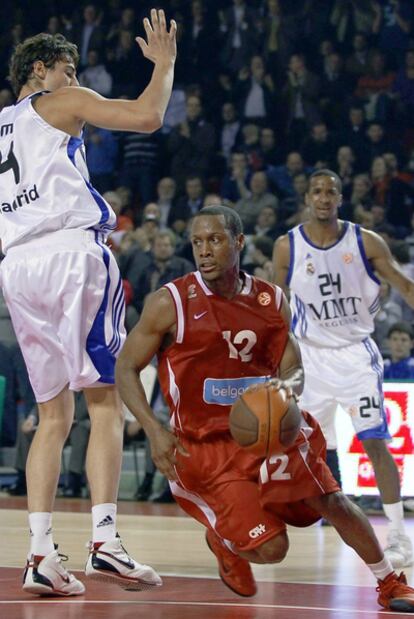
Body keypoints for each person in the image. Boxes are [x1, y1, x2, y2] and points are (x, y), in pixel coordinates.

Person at [116, 205, 414, 612]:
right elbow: (126, 368)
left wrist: (285, 391)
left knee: (332, 500)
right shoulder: (170, 303)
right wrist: (152, 428)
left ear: (238, 243)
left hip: (269, 431)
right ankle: (224, 537)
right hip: (207, 446)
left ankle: (390, 582)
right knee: (273, 549)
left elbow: (292, 366)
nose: (205, 250)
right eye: (198, 242)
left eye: (216, 240)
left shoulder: (271, 300)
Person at [0, 9, 176, 597]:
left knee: (53, 415)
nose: (74, 78)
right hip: (72, 255)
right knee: (106, 399)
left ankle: (41, 555)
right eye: (66, 69)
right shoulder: (60, 101)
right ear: (38, 71)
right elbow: (148, 117)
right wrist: (165, 64)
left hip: (17, 267)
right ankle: (105, 542)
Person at [272, 169, 414, 569]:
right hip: (310, 357)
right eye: (316, 191)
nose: (323, 197)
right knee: (305, 444)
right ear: (306, 197)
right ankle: (289, 516)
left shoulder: (366, 241)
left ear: (340, 198)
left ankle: (399, 534)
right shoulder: (288, 248)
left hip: (355, 355)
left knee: (374, 443)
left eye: (330, 191)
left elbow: (404, 287)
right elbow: (275, 306)